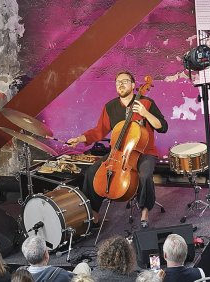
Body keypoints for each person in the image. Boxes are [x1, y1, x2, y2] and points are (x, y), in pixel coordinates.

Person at [68, 71, 168, 228]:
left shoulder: (146, 103)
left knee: (144, 175)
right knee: (92, 172)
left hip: (145, 152)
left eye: (125, 81)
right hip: (119, 152)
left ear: (134, 85)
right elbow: (99, 131)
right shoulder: (110, 107)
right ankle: (93, 213)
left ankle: (144, 210)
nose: (120, 84)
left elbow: (163, 127)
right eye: (117, 82)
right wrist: (79, 139)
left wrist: (145, 113)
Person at [21, 235, 90, 282]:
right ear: (46, 255)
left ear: (26, 257)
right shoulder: (59, 274)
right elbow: (79, 279)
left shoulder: (18, 275)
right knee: (83, 266)